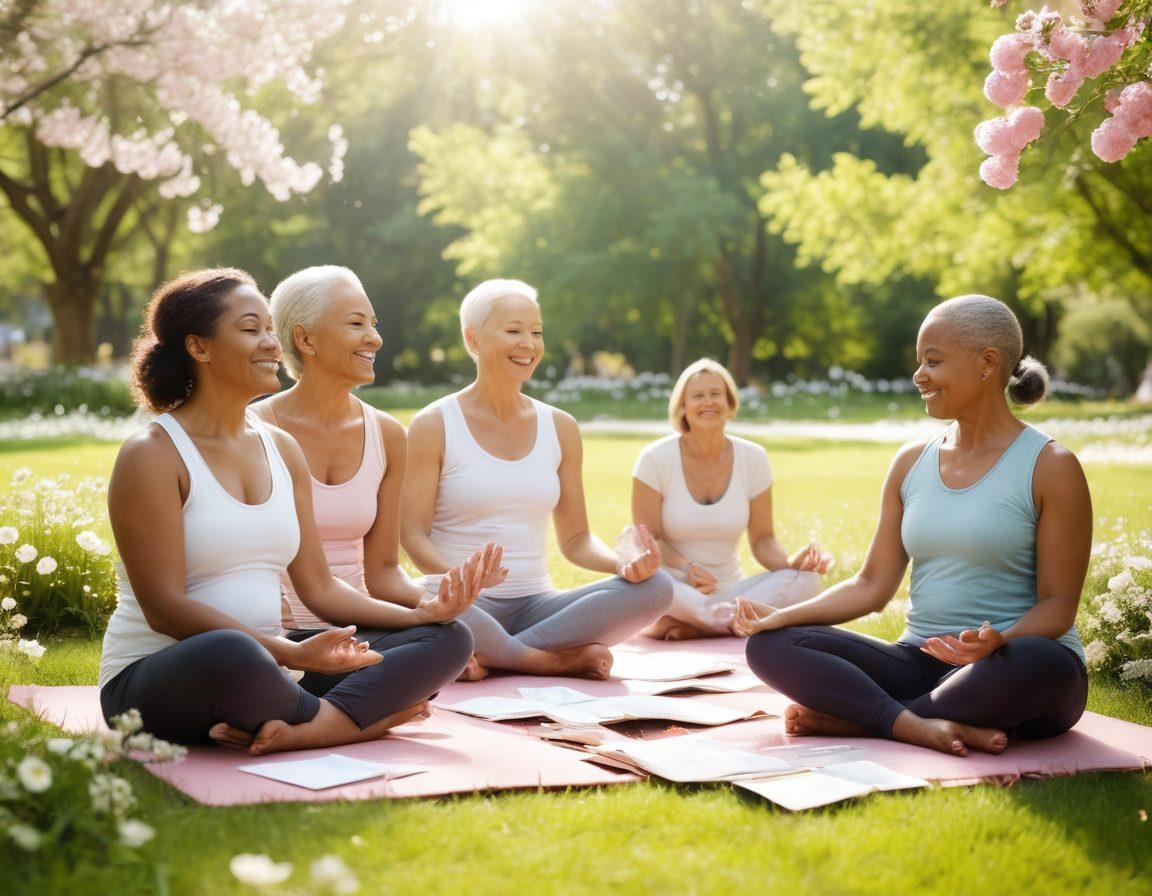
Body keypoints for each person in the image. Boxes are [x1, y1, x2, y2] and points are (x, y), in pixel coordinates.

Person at [99, 268, 484, 754]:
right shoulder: (152, 453)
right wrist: (290, 651)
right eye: (249, 330)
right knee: (232, 653)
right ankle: (350, 722)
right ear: (200, 348)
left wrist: (419, 615)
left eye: (269, 329)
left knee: (446, 640)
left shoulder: (280, 447)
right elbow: (164, 608)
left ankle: (300, 723)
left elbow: (319, 588)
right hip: (168, 673)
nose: (271, 344)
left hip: (275, 663)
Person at [737, 295, 1091, 757]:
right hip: (920, 661)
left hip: (1010, 667)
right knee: (771, 646)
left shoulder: (1051, 466)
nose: (918, 375)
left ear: (988, 363)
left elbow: (1058, 608)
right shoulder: (910, 462)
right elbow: (870, 585)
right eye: (919, 361)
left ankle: (871, 719)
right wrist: (783, 616)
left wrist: (1000, 640)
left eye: (933, 361)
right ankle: (921, 722)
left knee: (1041, 662)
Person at [402, 279, 673, 680]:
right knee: (425, 606)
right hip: (460, 604)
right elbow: (412, 536)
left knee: (658, 588)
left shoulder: (560, 427)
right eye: (513, 331)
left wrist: (623, 563)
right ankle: (546, 659)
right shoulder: (433, 424)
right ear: (472, 339)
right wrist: (465, 580)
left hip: (537, 606)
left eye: (536, 332)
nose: (528, 344)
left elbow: (576, 541)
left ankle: (492, 655)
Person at [632, 358, 831, 640]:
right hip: (674, 591)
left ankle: (705, 624)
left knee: (807, 580)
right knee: (648, 589)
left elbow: (762, 541)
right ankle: (732, 621)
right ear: (683, 407)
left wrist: (790, 562)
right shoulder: (654, 459)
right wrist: (687, 568)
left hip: (731, 591)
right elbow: (647, 541)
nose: (708, 402)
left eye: (716, 394)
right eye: (698, 396)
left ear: (730, 403)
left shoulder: (754, 458)